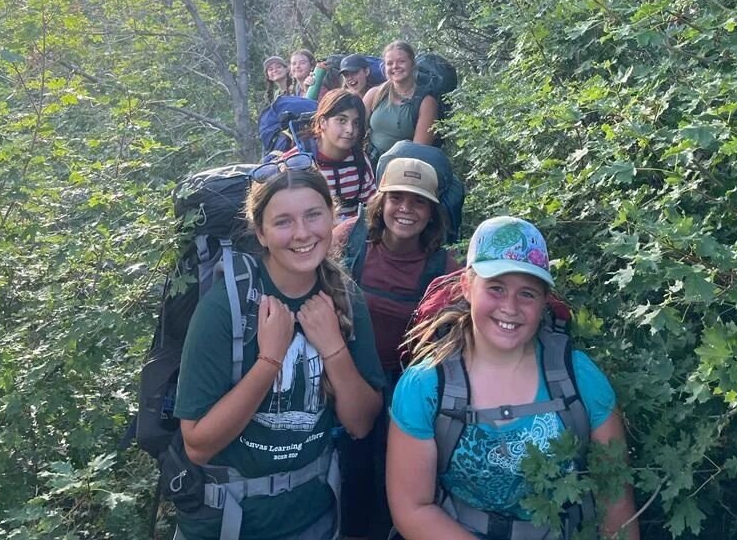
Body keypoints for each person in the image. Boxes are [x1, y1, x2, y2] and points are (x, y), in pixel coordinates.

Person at [387, 216, 640, 540]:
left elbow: (615, 505)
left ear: (544, 300)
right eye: (496, 288)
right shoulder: (426, 386)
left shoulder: (579, 379)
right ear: (467, 285)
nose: (510, 307)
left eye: (527, 294)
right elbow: (413, 508)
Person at [173, 155, 385, 540]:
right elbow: (198, 446)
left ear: (333, 217)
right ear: (261, 233)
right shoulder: (226, 307)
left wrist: (333, 348)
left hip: (315, 518)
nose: (302, 233)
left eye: (313, 215)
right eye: (283, 222)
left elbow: (360, 424)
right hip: (230, 524)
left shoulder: (344, 298)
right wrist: (269, 360)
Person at [332, 157, 461, 540]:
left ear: (432, 212)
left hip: (407, 386)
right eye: (397, 199)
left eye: (418, 202)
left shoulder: (443, 267)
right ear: (381, 202)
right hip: (344, 377)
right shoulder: (347, 241)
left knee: (395, 476)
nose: (406, 209)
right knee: (347, 470)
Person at [283, 89, 376, 223]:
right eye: (342, 120)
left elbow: (371, 208)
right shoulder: (297, 162)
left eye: (356, 123)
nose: (350, 130)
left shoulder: (360, 161)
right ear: (322, 122)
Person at [363, 41, 438, 167]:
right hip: (369, 164)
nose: (395, 66)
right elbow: (355, 129)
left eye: (401, 61)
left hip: (403, 168)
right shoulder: (375, 94)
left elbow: (418, 152)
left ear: (412, 64)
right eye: (389, 63)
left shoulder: (426, 102)